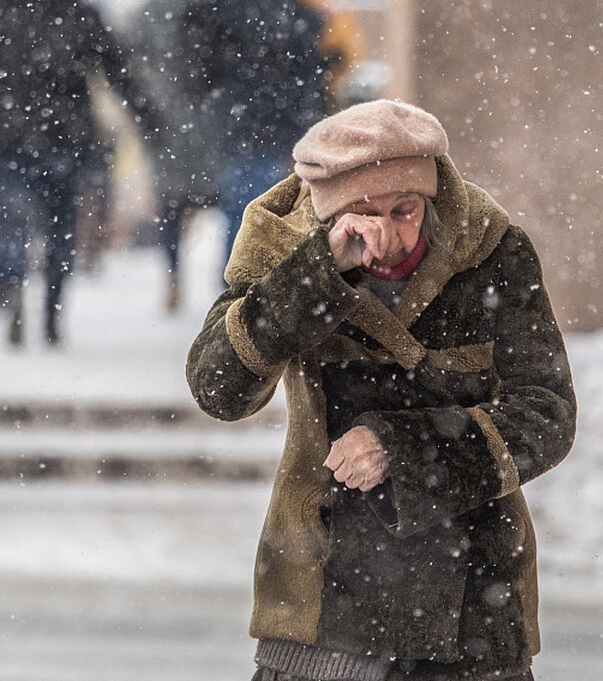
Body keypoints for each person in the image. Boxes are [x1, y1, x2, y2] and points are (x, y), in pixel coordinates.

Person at [187, 99, 577, 681]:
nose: (389, 236)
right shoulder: (286, 252)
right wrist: (318, 275)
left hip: (474, 599)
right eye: (366, 214)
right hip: (323, 594)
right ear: (329, 213)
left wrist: (405, 449)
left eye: (406, 210)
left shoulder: (494, 253)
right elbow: (219, 388)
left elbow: (548, 413)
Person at [0, 0, 160, 347]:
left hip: (3, 135)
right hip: (65, 137)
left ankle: (10, 285)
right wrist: (148, 116)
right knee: (60, 229)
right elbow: (116, 70)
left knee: (8, 224)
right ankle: (51, 311)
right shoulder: (78, 11)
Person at [186, 0, 327, 261]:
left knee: (242, 198)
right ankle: (244, 290)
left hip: (235, 108)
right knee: (257, 204)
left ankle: (237, 284)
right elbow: (280, 44)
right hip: (264, 111)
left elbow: (207, 40)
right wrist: (312, 26)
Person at [137, 0, 224, 313]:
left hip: (166, 124)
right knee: (227, 203)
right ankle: (227, 273)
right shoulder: (216, 1)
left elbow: (131, 55)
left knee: (170, 208)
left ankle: (173, 276)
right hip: (212, 123)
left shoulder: (154, 6)